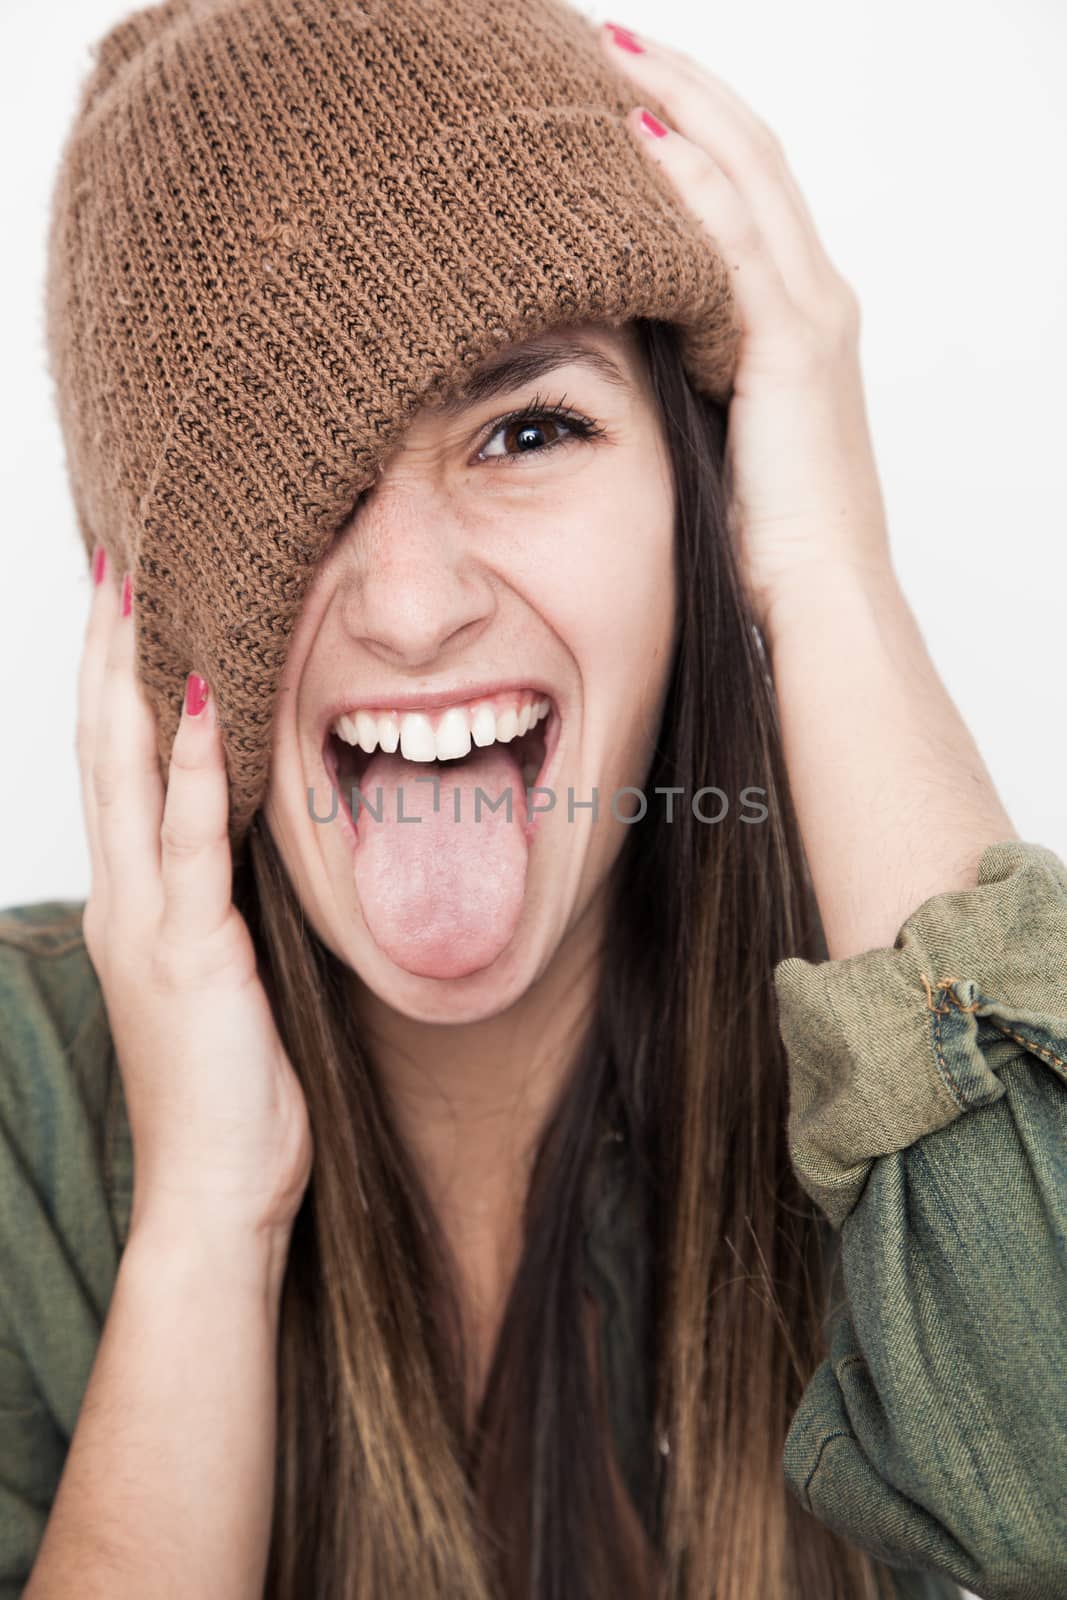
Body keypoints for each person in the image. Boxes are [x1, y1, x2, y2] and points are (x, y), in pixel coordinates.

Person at [2, 1, 1065, 1597]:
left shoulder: (878, 1064)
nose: (414, 606)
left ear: (697, 498)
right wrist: (208, 1222)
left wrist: (832, 581)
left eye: (529, 429)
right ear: (158, 615)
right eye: (306, 493)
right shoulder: (24, 1106)